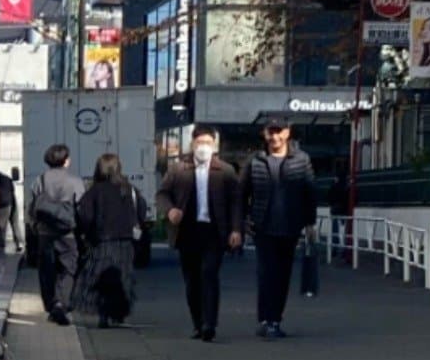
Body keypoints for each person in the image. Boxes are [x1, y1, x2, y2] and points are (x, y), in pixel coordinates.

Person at [155, 125, 243, 342]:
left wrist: (236, 229)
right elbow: (162, 194)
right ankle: (198, 322)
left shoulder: (225, 171)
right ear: (192, 144)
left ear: (214, 146)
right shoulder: (178, 169)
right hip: (187, 231)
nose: (203, 147)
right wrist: (170, 210)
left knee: (209, 274)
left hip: (214, 231)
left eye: (207, 143)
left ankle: (209, 324)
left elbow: (236, 202)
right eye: (199, 143)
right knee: (192, 280)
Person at [244, 116, 318, 338]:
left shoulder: (301, 159)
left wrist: (310, 223)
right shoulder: (256, 160)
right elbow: (242, 192)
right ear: (264, 134)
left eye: (279, 131)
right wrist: (243, 220)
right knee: (266, 273)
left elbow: (309, 192)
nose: (275, 136)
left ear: (287, 133)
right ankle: (266, 319)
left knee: (283, 275)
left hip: (290, 227)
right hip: (262, 227)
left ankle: (274, 319)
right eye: (271, 131)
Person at [75, 153, 148, 327]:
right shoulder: (128, 189)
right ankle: (118, 312)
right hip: (125, 240)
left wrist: (86, 233)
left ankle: (103, 313)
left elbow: (85, 216)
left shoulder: (94, 191)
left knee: (101, 276)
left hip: (102, 240)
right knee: (123, 276)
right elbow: (141, 210)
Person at [26, 142, 85, 325]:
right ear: (65, 160)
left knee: (46, 270)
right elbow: (81, 208)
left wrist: (34, 226)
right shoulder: (75, 181)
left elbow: (31, 208)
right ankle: (61, 302)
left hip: (45, 233)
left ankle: (51, 305)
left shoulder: (40, 180)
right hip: (67, 233)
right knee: (68, 268)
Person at [0, 161, 17, 252]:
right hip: (11, 202)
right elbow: (12, 189)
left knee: (1, 226)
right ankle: (18, 243)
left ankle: (1, 245)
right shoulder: (7, 178)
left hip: (2, 205)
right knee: (14, 224)